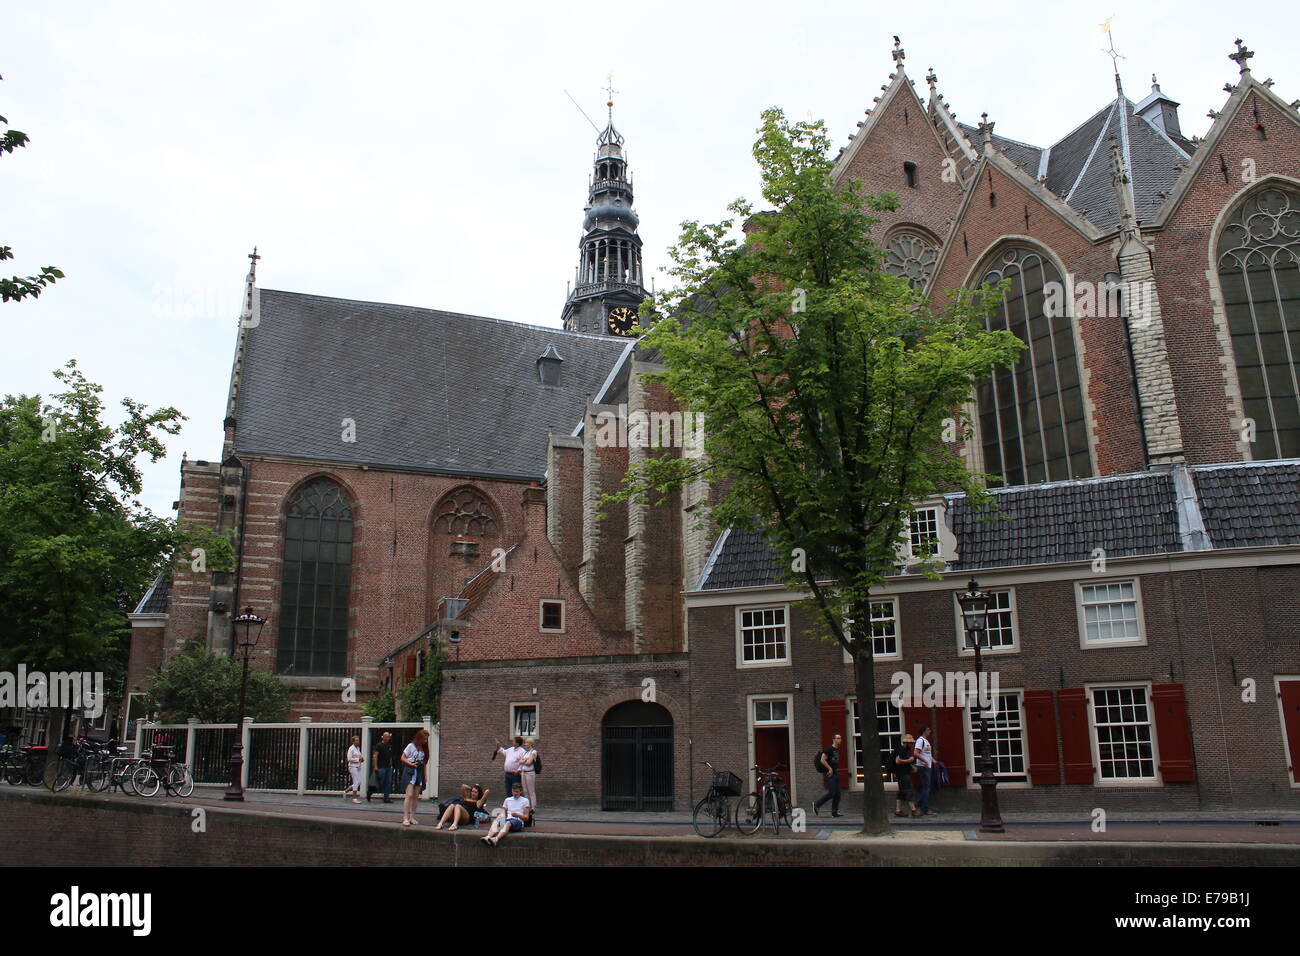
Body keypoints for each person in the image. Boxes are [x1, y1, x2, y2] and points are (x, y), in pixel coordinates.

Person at [481, 782, 531, 847]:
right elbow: (504, 813)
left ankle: (496, 839)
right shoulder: (507, 800)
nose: (515, 793)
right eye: (513, 791)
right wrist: (500, 817)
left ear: (520, 791)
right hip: (507, 820)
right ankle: (488, 837)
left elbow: (526, 817)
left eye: (517, 791)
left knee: (508, 823)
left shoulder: (525, 801)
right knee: (497, 821)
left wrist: (517, 815)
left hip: (518, 821)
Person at [400, 729, 431, 827]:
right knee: (409, 794)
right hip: (410, 771)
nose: (425, 741)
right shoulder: (410, 746)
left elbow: (424, 764)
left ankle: (412, 817)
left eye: (426, 739)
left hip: (419, 772)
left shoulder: (423, 749)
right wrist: (411, 764)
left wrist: (425, 776)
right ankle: (405, 817)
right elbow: (403, 757)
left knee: (416, 796)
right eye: (424, 739)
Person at [813, 732, 843, 817]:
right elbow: (822, 760)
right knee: (832, 793)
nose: (840, 740)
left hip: (835, 773)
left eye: (840, 738)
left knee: (837, 794)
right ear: (833, 739)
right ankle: (817, 804)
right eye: (838, 738)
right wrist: (830, 769)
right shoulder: (829, 749)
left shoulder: (837, 750)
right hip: (830, 774)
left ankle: (834, 812)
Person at [892, 733, 920, 818]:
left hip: (901, 774)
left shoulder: (902, 750)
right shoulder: (901, 750)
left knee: (901, 792)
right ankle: (914, 810)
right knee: (909, 790)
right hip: (903, 774)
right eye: (910, 743)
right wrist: (909, 760)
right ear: (906, 743)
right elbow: (897, 761)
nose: (911, 745)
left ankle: (898, 810)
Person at [913, 725, 936, 815]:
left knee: (927, 787)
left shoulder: (926, 741)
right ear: (924, 731)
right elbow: (916, 753)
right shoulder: (920, 741)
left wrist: (933, 761)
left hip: (927, 766)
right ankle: (923, 807)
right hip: (923, 767)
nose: (930, 731)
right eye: (928, 730)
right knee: (926, 787)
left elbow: (927, 753)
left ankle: (919, 804)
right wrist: (925, 761)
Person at [370, 731, 396, 803]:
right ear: (383, 737)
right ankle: (370, 792)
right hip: (381, 767)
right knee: (379, 782)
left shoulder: (389, 746)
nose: (388, 738)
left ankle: (386, 797)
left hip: (388, 767)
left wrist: (391, 765)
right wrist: (375, 766)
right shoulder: (379, 745)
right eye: (387, 737)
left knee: (388, 782)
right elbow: (375, 756)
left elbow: (390, 757)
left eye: (389, 737)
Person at [518, 737, 540, 811]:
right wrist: (525, 761)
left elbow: (529, 762)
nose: (525, 744)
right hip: (523, 772)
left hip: (530, 773)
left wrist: (524, 761)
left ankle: (533, 807)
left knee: (531, 790)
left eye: (526, 743)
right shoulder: (526, 752)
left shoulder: (533, 752)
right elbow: (520, 761)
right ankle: (528, 805)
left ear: (530, 744)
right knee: (525, 790)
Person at [343, 735, 364, 804]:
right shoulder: (351, 749)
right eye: (356, 740)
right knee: (355, 781)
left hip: (358, 767)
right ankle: (354, 798)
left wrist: (361, 759)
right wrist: (358, 759)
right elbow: (349, 759)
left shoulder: (358, 748)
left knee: (359, 782)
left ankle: (346, 791)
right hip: (352, 767)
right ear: (353, 741)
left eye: (358, 740)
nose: (358, 742)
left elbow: (359, 756)